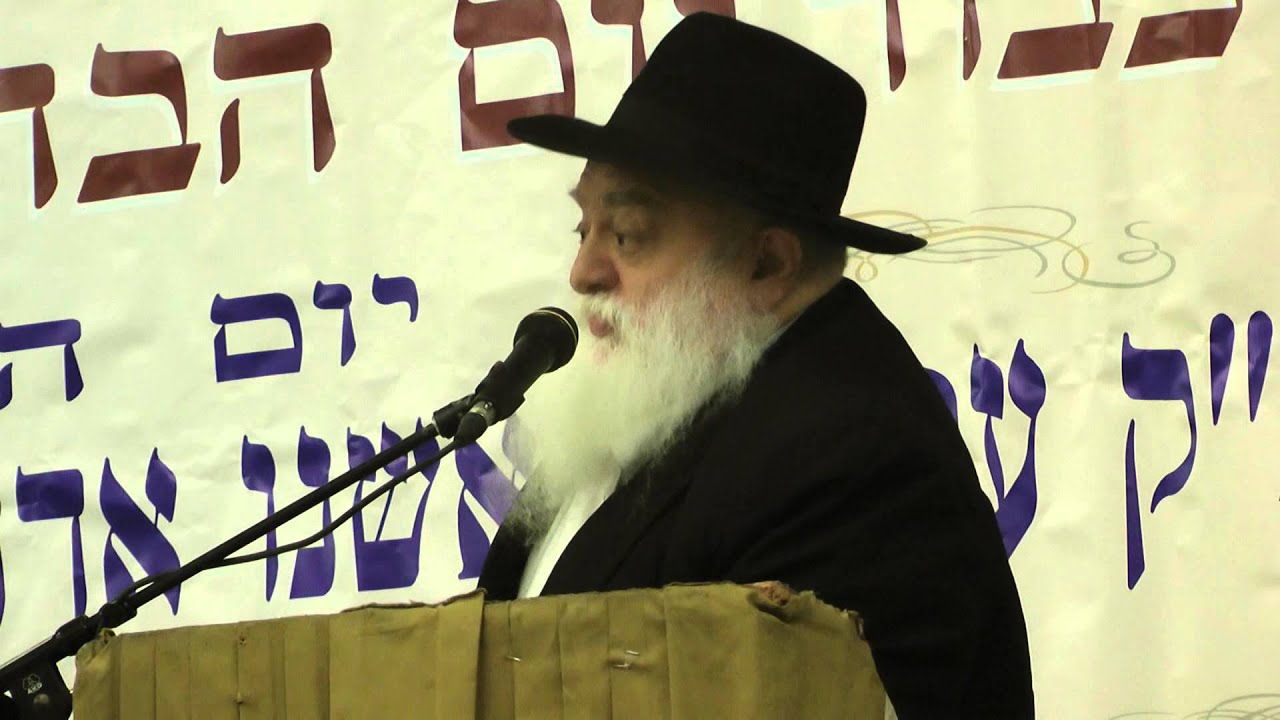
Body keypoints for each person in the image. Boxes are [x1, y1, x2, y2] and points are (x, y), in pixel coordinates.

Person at [477, 12, 1034, 719]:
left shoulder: (853, 463)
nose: (582, 271)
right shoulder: (667, 396)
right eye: (583, 228)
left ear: (767, 263)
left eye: (628, 235)